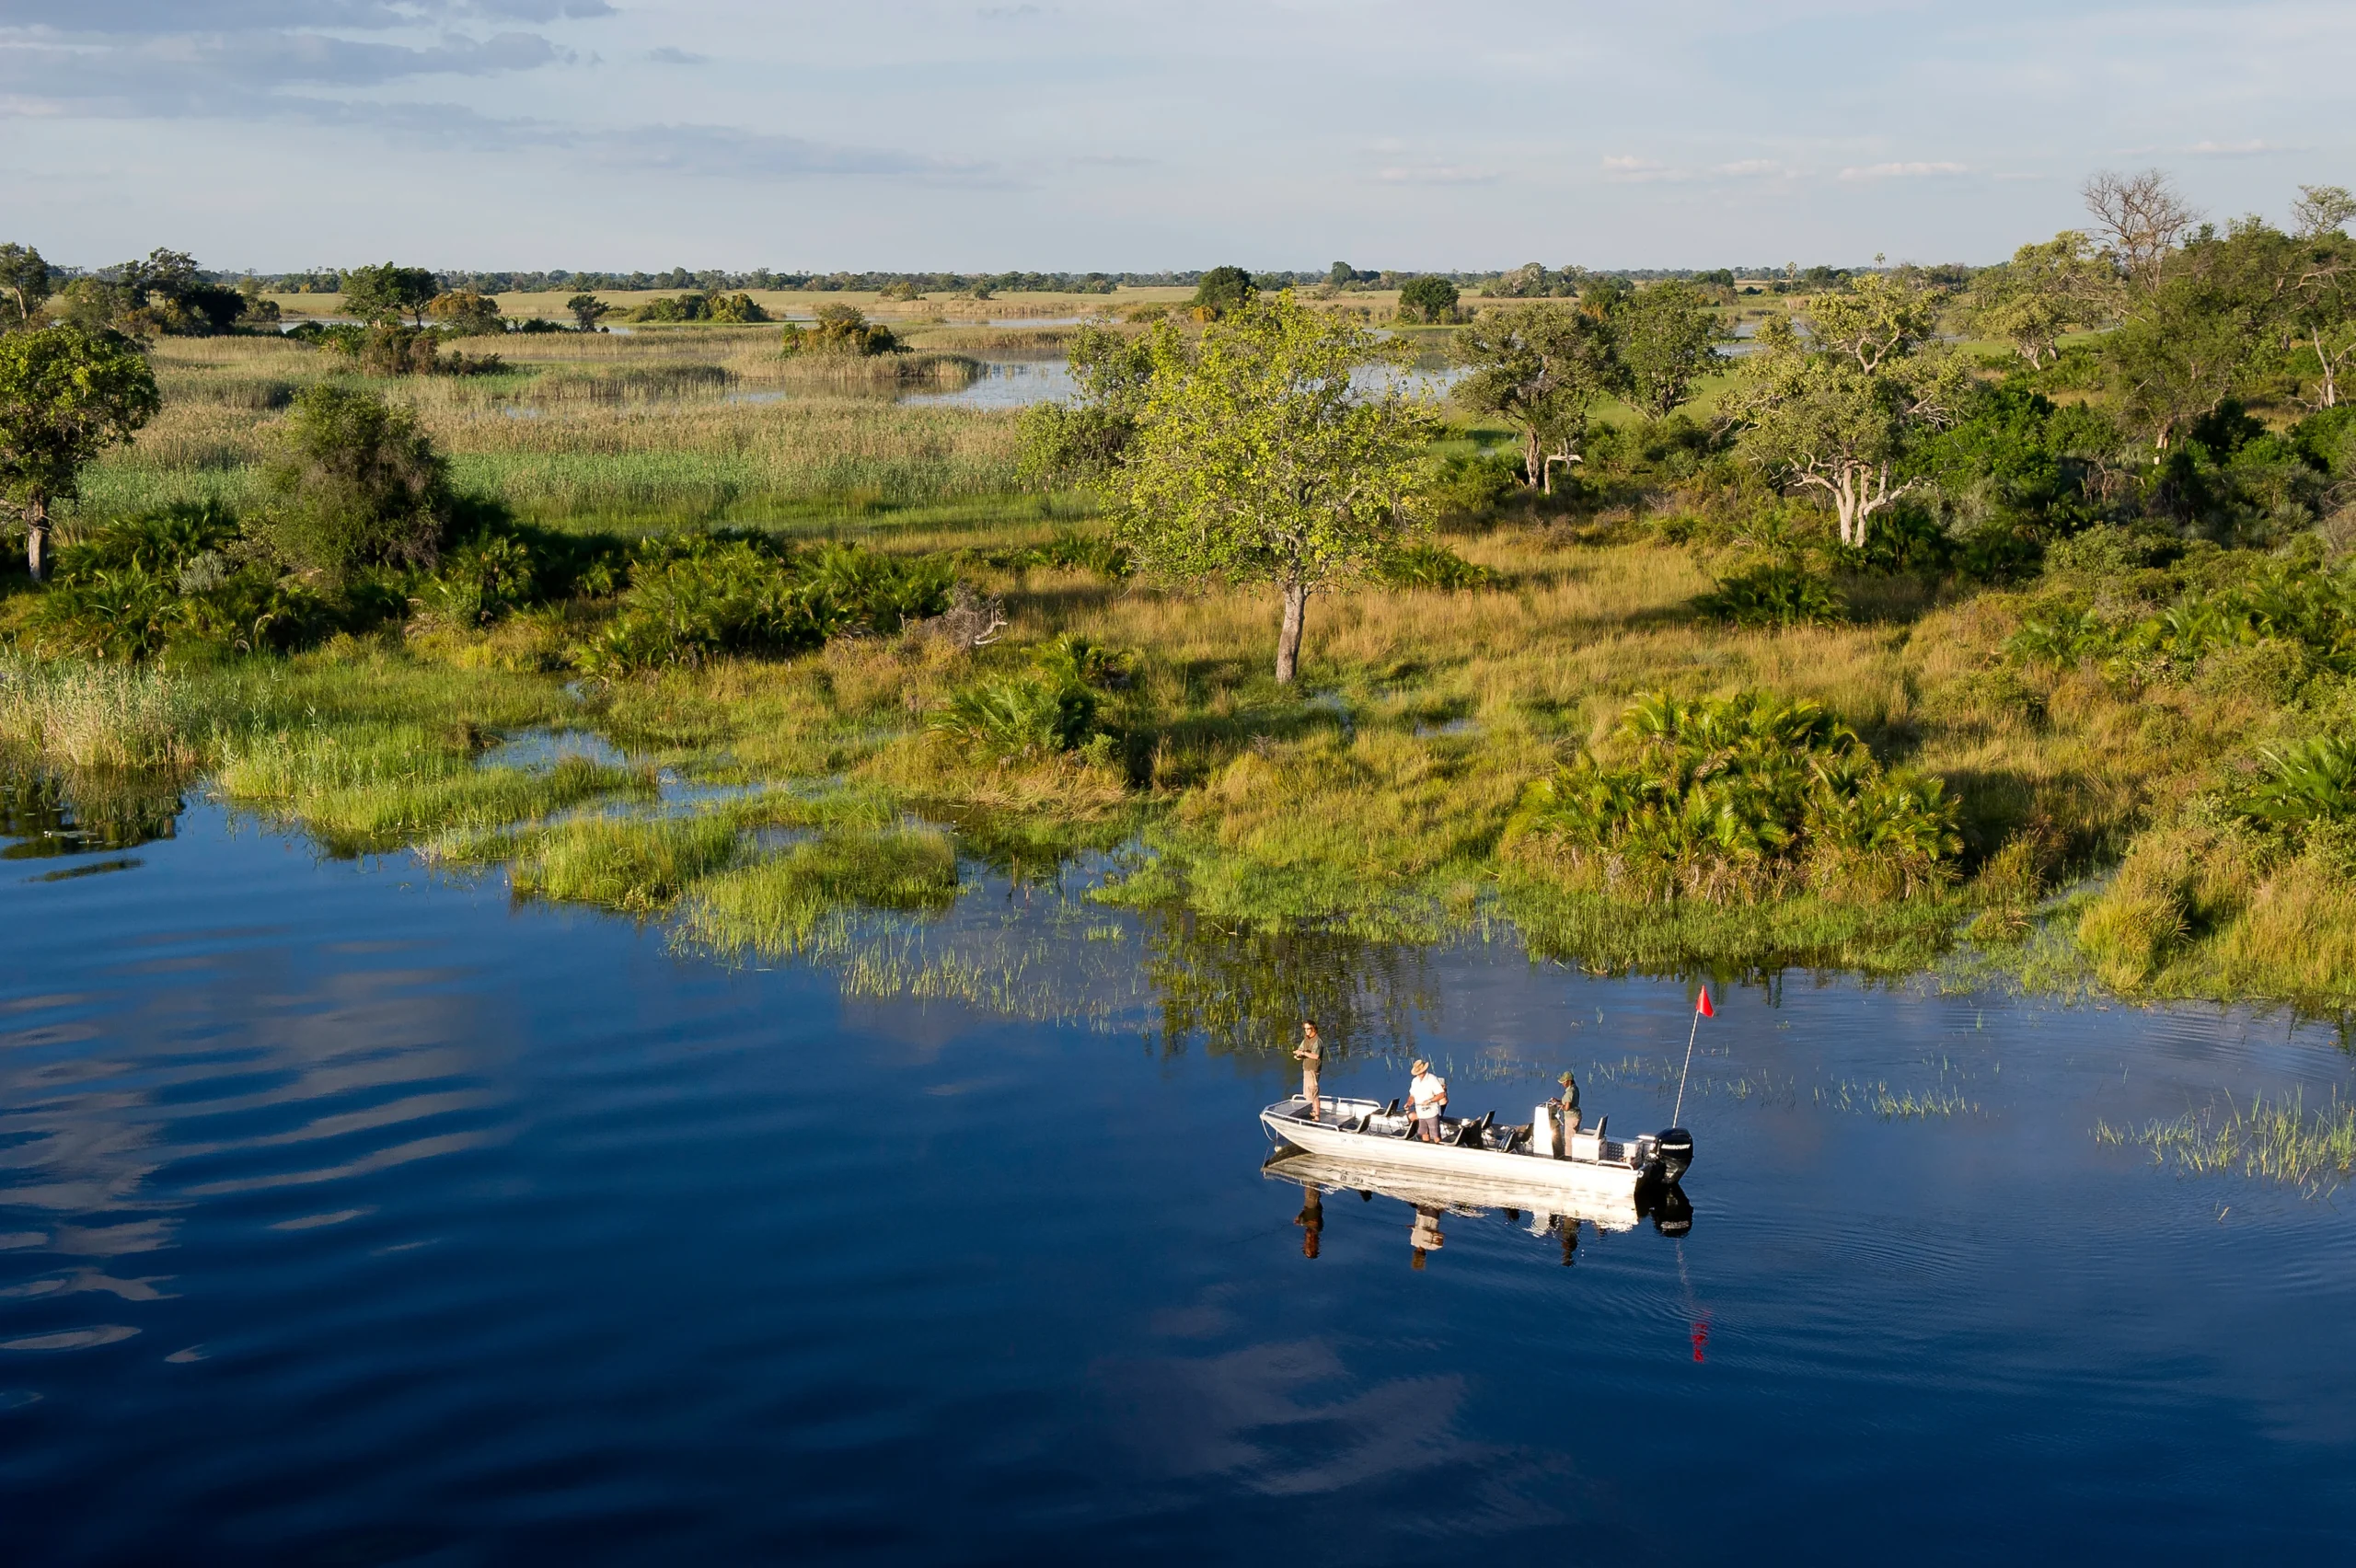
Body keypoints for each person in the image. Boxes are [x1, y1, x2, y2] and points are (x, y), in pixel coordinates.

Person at [1408, 1059, 1447, 1142]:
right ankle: (1426, 1145)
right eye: (1418, 1073)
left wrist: (1429, 1101)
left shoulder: (1432, 1079)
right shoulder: (1415, 1081)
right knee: (1424, 1133)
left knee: (1435, 1135)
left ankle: (1439, 1146)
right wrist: (1408, 1103)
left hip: (1432, 1112)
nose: (1420, 1074)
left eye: (1421, 1072)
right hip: (1421, 1113)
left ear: (1424, 1070)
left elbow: (1441, 1094)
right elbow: (1412, 1095)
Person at [1293, 1021, 1323, 1120]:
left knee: (1314, 1092)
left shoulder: (1317, 1041)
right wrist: (1299, 1055)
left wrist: (1303, 1053)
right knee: (1308, 1093)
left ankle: (1317, 1115)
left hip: (1313, 1070)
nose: (1306, 1031)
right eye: (1305, 1029)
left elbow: (1316, 1056)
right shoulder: (1306, 1040)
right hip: (1306, 1069)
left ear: (1313, 1029)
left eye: (1308, 1029)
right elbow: (1302, 1050)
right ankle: (1314, 1111)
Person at [1556, 1069, 1582, 1135]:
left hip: (1571, 1118)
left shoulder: (1569, 1092)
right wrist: (1557, 1100)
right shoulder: (1575, 1088)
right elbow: (1569, 1101)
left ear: (1569, 1081)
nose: (1563, 1084)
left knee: (1569, 1138)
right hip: (1576, 1116)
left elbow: (1567, 1108)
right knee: (1574, 1135)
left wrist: (1560, 1106)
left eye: (1564, 1082)